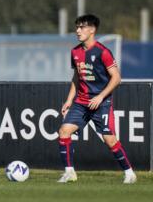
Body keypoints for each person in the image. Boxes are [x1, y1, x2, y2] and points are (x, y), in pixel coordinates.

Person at [57, 14, 137, 184]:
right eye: (77, 27)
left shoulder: (103, 52)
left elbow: (116, 78)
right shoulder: (75, 51)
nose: (77, 30)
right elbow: (76, 78)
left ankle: (129, 173)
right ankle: (69, 173)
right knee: (64, 131)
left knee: (110, 140)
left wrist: (101, 97)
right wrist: (69, 100)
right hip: (81, 102)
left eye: (82, 27)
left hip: (101, 103)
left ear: (92, 30)